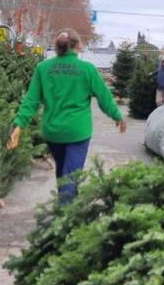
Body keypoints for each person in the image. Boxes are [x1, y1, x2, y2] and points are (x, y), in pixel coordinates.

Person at [7, 28, 126, 203]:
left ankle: (69, 203)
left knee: (63, 171)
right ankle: (65, 218)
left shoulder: (43, 68)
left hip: (52, 132)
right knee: (70, 176)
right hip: (78, 132)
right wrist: (117, 116)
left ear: (57, 47)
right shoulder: (87, 69)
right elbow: (104, 98)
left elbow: (30, 101)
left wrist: (18, 125)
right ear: (77, 46)